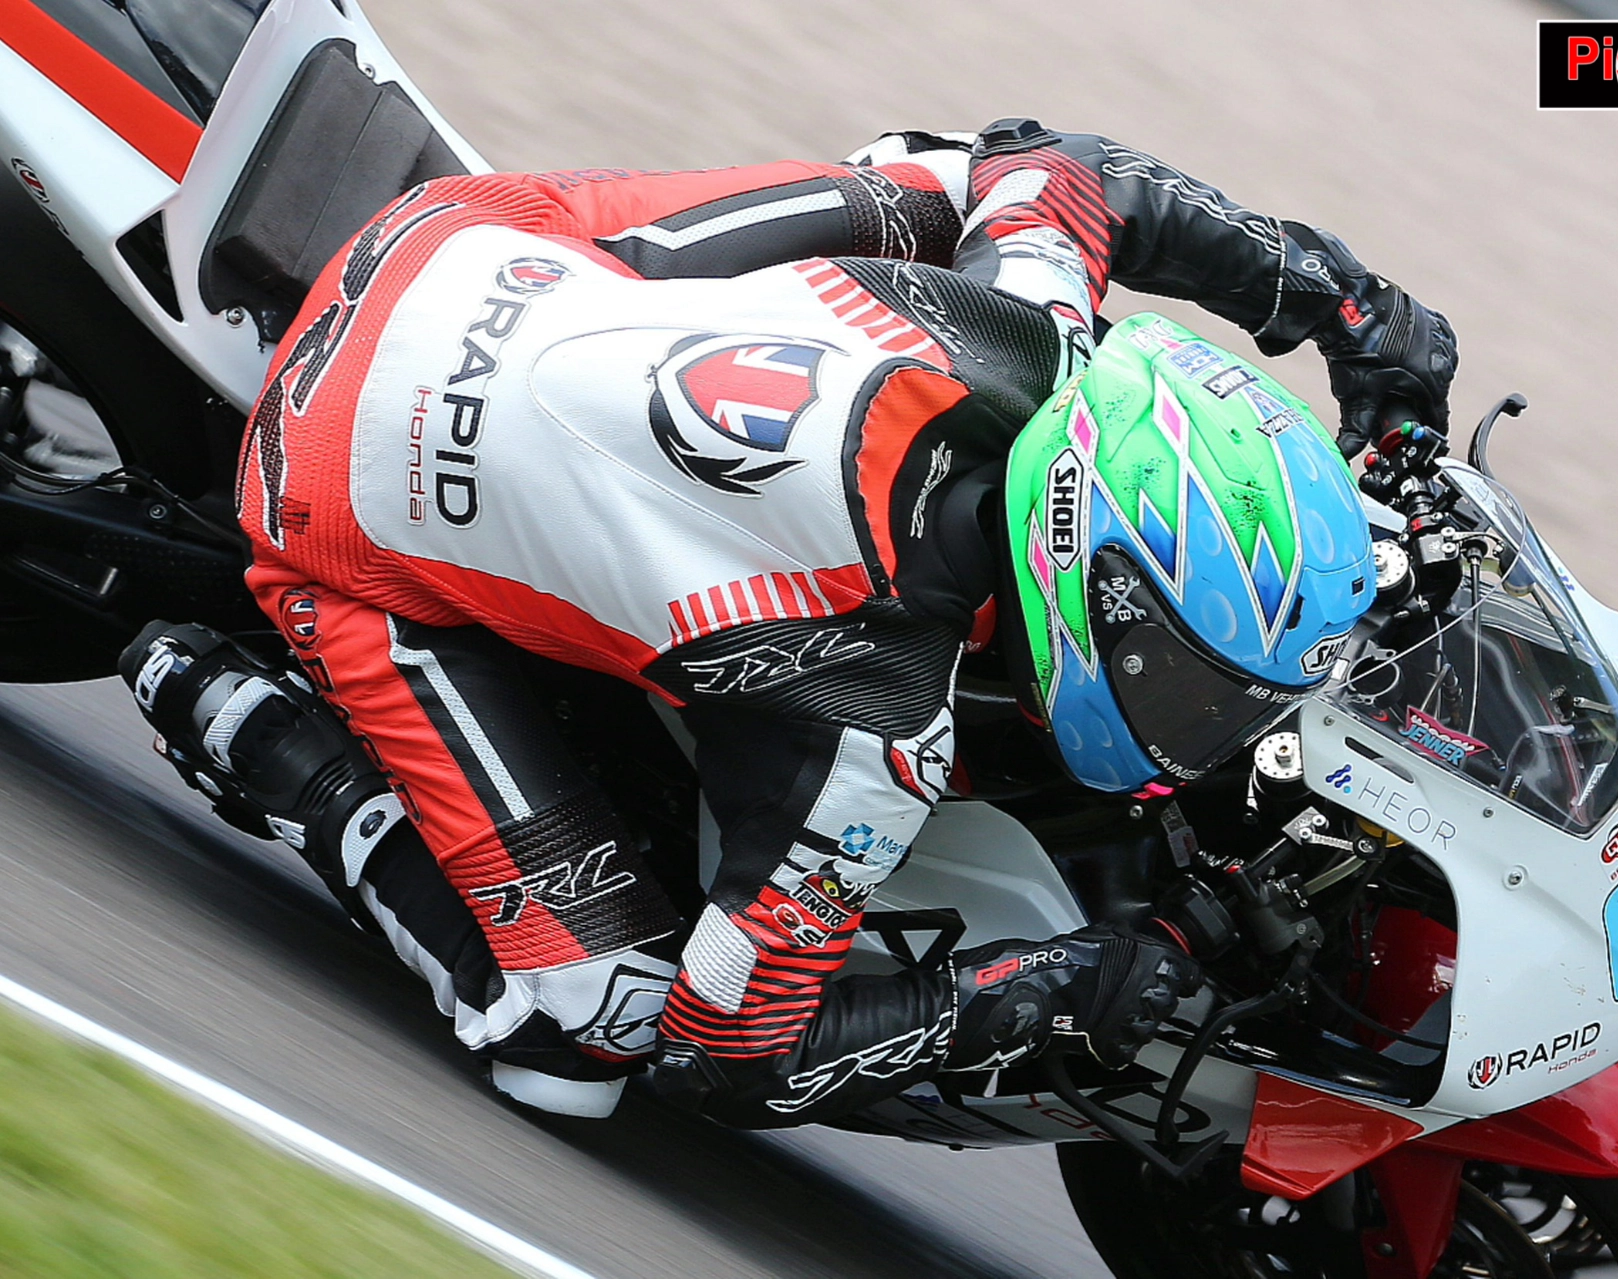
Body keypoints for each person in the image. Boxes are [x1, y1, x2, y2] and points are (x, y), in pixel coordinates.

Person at [120, 120, 1456, 1125]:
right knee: (597, 1028)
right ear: (1087, 584)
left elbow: (1065, 169)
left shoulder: (1042, 333)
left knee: (940, 176)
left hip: (465, 235)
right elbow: (728, 1052)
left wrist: (1352, 309)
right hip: (332, 491)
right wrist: (1042, 989)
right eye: (1198, 684)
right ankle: (262, 731)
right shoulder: (873, 727)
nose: (1214, 724)